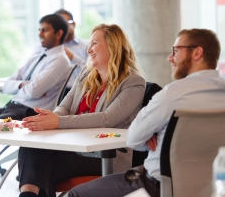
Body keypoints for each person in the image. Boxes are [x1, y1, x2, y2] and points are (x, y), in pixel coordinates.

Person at [67, 28, 225, 197]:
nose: (170, 57)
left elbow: (134, 138)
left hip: (156, 185)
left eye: (176, 51)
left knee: (76, 194)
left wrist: (152, 134)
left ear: (197, 53)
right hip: (208, 188)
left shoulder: (171, 95)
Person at [18, 24, 146, 197]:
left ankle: (28, 193)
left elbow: (108, 119)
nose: (89, 49)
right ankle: (28, 193)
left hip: (106, 155)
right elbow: (65, 107)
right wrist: (50, 118)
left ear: (112, 46)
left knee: (40, 171)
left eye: (94, 43)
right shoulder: (85, 75)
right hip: (75, 146)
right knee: (32, 146)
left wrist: (58, 122)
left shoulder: (133, 82)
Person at [0, 13, 71, 120]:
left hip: (26, 113)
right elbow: (6, 85)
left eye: (45, 30)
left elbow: (33, 92)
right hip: (10, 106)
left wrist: (19, 87)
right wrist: (22, 84)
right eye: (39, 30)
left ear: (58, 34)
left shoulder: (60, 60)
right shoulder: (37, 56)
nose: (40, 34)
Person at [34, 9, 88, 90]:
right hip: (49, 93)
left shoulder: (88, 46)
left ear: (73, 24)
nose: (62, 29)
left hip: (78, 91)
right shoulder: (42, 48)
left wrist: (73, 57)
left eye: (65, 23)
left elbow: (92, 73)